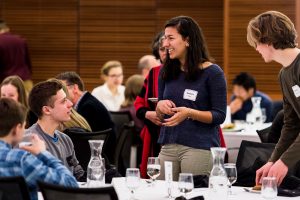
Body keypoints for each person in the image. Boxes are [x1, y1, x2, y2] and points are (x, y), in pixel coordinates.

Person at [155, 16, 227, 181]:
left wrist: (189, 113)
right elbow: (159, 116)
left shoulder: (213, 73)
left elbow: (219, 115)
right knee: (162, 194)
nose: (165, 44)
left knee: (193, 195)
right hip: (168, 145)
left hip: (199, 147)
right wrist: (160, 106)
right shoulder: (166, 71)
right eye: (165, 38)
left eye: (171, 38)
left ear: (187, 40)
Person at [247, 10, 300, 185]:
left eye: (257, 43)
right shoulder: (284, 75)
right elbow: (291, 124)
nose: (256, 48)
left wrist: (284, 163)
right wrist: (272, 161)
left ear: (268, 40)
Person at [0, 98, 78, 200]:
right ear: (16, 129)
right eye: (24, 127)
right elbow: (70, 185)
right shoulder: (21, 160)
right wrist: (43, 153)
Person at [26, 79, 85, 181]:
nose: (70, 104)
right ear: (47, 110)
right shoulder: (29, 141)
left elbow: (79, 174)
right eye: (63, 101)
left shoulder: (65, 139)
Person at [55, 71, 116, 163]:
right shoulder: (86, 102)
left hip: (100, 159)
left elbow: (80, 138)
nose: (60, 93)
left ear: (75, 88)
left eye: (63, 89)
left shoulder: (88, 107)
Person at [134, 30, 166, 178]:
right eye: (161, 49)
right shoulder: (153, 73)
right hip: (154, 135)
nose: (165, 52)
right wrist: (148, 113)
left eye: (168, 48)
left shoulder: (190, 72)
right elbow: (139, 103)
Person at [0, 20, 33, 92]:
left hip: (6, 82)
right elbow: (27, 61)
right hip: (24, 80)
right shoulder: (21, 40)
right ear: (7, 29)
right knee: (27, 102)